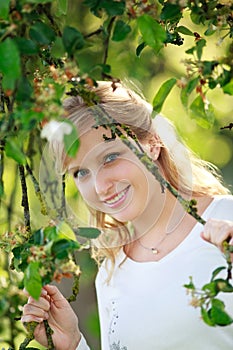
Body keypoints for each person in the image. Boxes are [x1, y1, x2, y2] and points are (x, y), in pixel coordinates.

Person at [22, 81, 233, 350]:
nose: (100, 187)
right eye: (80, 172)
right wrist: (74, 344)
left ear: (153, 143)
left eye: (110, 157)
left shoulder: (228, 220)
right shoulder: (113, 271)